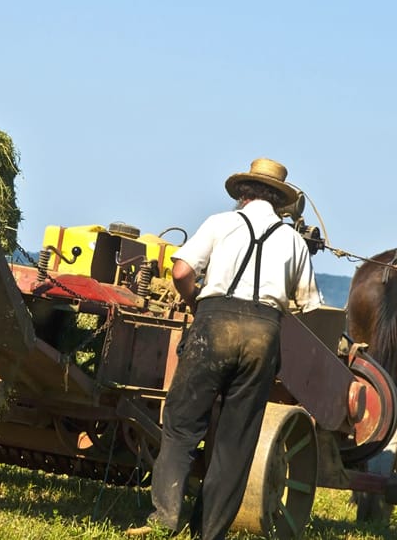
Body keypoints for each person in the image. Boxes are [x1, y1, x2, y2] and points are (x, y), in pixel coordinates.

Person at [128, 158, 323, 539]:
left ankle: (164, 520)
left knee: (182, 425)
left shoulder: (221, 223)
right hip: (263, 335)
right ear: (279, 202)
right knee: (235, 441)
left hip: (213, 325)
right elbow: (308, 306)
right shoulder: (294, 240)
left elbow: (182, 271)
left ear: (243, 194)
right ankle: (209, 532)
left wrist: (195, 302)